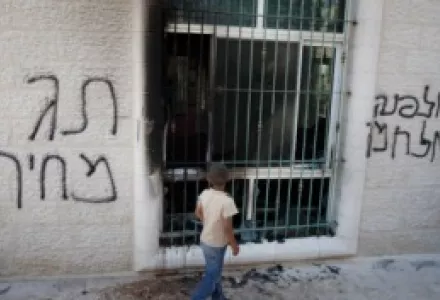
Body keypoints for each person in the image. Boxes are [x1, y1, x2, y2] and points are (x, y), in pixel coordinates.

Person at [191, 163, 240, 300]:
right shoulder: (227, 201)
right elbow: (227, 228)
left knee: (214, 271)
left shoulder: (204, 194)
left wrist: (207, 221)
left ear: (208, 179)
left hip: (205, 241)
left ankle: (218, 297)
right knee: (212, 276)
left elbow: (197, 212)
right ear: (227, 180)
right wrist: (234, 245)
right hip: (217, 244)